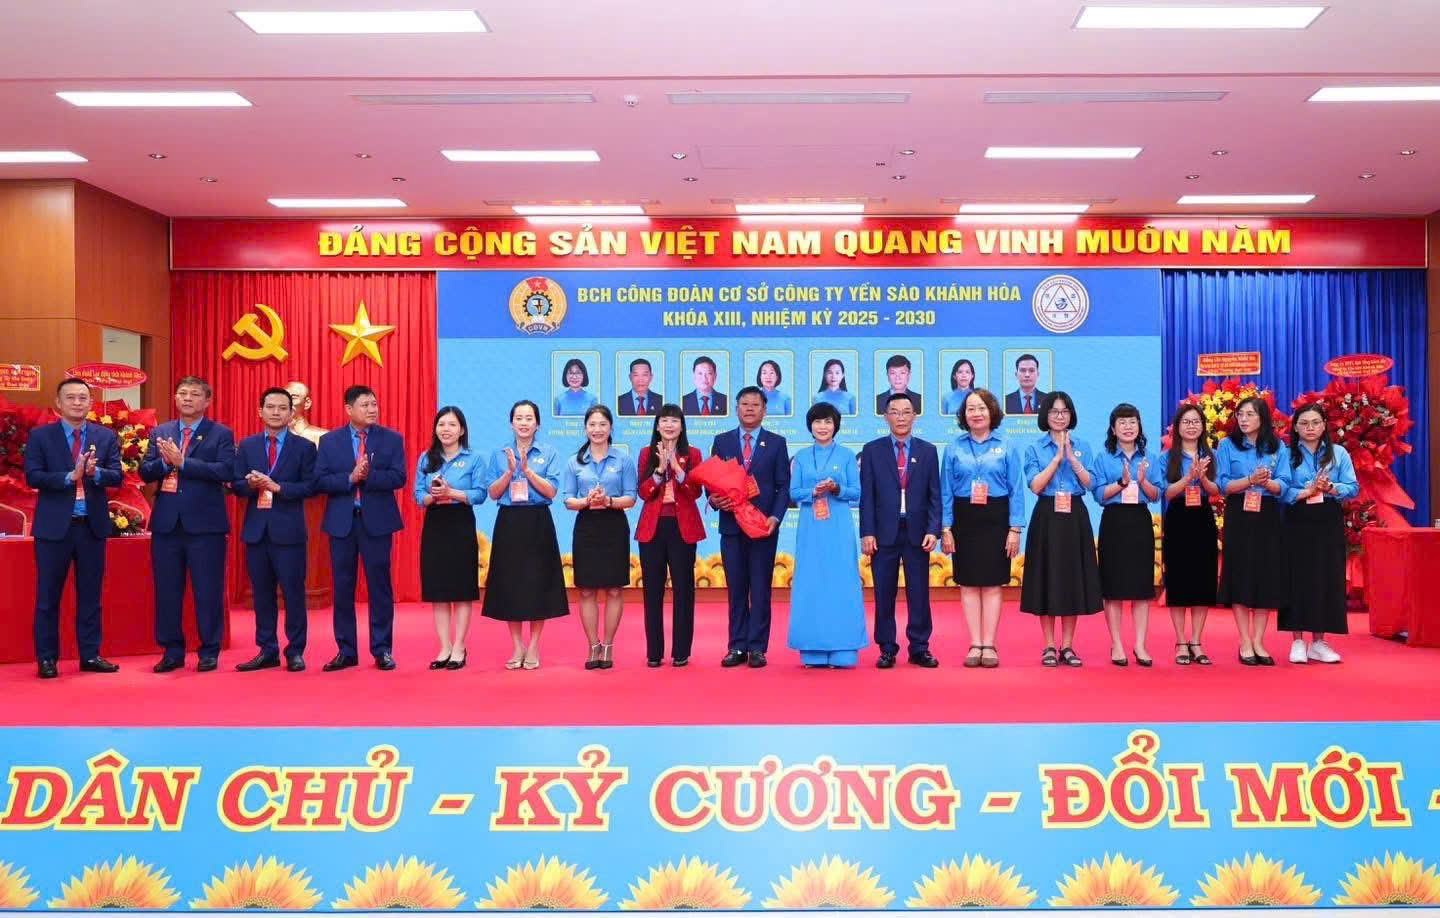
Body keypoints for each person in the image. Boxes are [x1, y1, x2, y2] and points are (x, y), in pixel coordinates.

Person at [24, 377, 123, 679]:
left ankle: (90, 655)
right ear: (58, 403)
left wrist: (95, 473)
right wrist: (70, 476)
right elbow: (33, 476)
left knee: (91, 596)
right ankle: (47, 658)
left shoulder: (105, 436)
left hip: (91, 527)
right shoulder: (41, 436)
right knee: (48, 597)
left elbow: (117, 475)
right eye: (71, 397)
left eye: (83, 397)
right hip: (54, 529)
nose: (77, 402)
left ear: (91, 402)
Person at [141, 376, 236, 673]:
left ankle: (209, 650)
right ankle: (172, 651)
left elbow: (226, 470)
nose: (187, 398)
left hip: (206, 525)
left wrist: (183, 462)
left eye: (195, 394)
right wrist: (166, 463)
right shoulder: (161, 431)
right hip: (167, 524)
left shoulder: (220, 434)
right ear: (175, 398)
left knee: (208, 590)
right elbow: (145, 471)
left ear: (207, 401)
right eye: (182, 393)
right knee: (167, 590)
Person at [313, 385, 407, 671]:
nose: (372, 409)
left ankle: (382, 649)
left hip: (376, 523)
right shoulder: (330, 441)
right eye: (365, 405)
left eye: (374, 404)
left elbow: (399, 477)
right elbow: (319, 480)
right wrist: (349, 478)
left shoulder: (391, 439)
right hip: (342, 523)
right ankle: (346, 650)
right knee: (342, 588)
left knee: (380, 587)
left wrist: (368, 477)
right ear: (349, 409)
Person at [232, 387, 316, 672]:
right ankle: (267, 649)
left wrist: (278, 487)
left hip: (289, 532)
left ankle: (295, 650)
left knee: (293, 594)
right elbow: (236, 485)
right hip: (256, 531)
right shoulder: (247, 445)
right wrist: (250, 484)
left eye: (282, 408)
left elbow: (311, 486)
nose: (276, 412)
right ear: (260, 411)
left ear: (291, 413)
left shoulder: (304, 447)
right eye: (270, 407)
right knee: (262, 594)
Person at [940, 388, 1023, 669]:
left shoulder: (1007, 445)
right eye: (971, 408)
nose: (976, 413)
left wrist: (1015, 529)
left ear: (992, 411)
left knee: (992, 584)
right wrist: (946, 528)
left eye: (981, 408)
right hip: (964, 518)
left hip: (996, 516)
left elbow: (1016, 489)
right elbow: (945, 490)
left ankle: (989, 644)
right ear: (964, 414)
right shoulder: (954, 447)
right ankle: (975, 643)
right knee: (968, 583)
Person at [482, 400, 569, 668]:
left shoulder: (549, 452)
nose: (523, 422)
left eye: (529, 418)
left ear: (537, 424)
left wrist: (527, 470)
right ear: (511, 423)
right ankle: (517, 645)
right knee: (511, 584)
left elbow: (551, 491)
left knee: (538, 583)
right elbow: (493, 492)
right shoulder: (500, 453)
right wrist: (510, 471)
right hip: (509, 521)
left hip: (538, 521)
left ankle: (533, 647)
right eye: (519, 418)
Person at [860, 392, 942, 668]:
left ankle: (919, 647)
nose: (901, 417)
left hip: (917, 532)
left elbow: (935, 494)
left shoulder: (928, 451)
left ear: (914, 416)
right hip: (883, 533)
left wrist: (934, 529)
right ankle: (886, 648)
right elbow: (867, 496)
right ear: (886, 417)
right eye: (895, 412)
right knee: (884, 593)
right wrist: (867, 532)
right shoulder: (872, 450)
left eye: (906, 412)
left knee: (919, 592)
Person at [709, 386, 789, 668]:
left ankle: (757, 647)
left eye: (756, 404)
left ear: (764, 410)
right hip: (732, 527)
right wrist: (714, 499)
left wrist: (775, 517)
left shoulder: (776, 443)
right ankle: (736, 646)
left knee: (760, 588)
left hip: (762, 527)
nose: (750, 409)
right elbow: (712, 481)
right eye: (745, 404)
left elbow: (783, 486)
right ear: (736, 408)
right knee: (737, 588)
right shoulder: (722, 441)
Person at [1020, 391, 1101, 667]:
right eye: (1054, 411)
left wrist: (1072, 458)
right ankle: (1049, 645)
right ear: (1046, 415)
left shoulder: (1083, 446)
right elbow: (1035, 485)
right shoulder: (1034, 448)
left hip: (1075, 515)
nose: (1059, 416)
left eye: (1064, 411)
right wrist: (1056, 458)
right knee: (1046, 577)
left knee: (1071, 578)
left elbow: (1091, 484)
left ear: (1071, 415)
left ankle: (1067, 646)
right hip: (1046, 514)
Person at [1278, 402, 1358, 664]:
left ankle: (1319, 642)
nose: (1310, 428)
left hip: (1327, 519)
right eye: (1304, 423)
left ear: (1324, 425)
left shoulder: (1338, 453)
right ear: (1295, 427)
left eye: (1315, 422)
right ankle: (1298, 641)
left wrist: (1331, 487)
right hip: (1297, 519)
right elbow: (1280, 489)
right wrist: (1306, 491)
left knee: (1325, 577)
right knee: (1296, 577)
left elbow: (1353, 487)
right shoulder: (1286, 454)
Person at [788, 403, 867, 668]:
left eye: (828, 422)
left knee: (841, 582)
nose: (822, 427)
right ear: (810, 426)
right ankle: (812, 649)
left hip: (839, 526)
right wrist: (812, 492)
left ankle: (844, 648)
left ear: (836, 426)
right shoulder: (801, 457)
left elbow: (856, 492)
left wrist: (836, 488)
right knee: (811, 582)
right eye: (817, 422)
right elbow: (793, 492)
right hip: (811, 527)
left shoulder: (847, 455)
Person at [563, 405, 638, 670]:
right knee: (586, 590)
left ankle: (608, 645)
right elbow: (568, 500)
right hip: (586, 527)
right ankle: (592, 645)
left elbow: (631, 497)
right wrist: (586, 501)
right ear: (585, 428)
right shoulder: (574, 462)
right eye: (592, 424)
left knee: (615, 589)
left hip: (614, 525)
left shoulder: (623, 460)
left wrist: (609, 501)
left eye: (602, 424)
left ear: (611, 428)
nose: (597, 429)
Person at [1090, 403, 1165, 667]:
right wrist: (1121, 483)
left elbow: (1156, 495)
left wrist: (1142, 481)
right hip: (1113, 521)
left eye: (1132, 422)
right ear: (1113, 429)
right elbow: (1099, 495)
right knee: (1113, 587)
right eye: (1122, 422)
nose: (1128, 427)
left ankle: (1140, 645)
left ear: (1139, 426)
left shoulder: (1150, 458)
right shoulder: (1103, 458)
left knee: (1141, 588)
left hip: (1140, 521)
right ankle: (1117, 644)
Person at [1215, 396, 1286, 666]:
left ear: (1262, 418)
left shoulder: (1277, 446)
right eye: (1240, 414)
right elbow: (1222, 484)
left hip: (1267, 514)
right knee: (1241, 574)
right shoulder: (1227, 445)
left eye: (1250, 414)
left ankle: (1259, 641)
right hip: (1239, 513)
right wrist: (1250, 480)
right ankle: (1245, 641)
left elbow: (1284, 484)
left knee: (1265, 575)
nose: (1243, 419)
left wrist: (1267, 484)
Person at [413, 405, 485, 671]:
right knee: (439, 589)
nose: (446, 429)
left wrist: (451, 493)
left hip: (461, 523)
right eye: (442, 424)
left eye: (452, 425)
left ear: (462, 430)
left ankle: (459, 646)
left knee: (461, 589)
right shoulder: (426, 458)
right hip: (435, 524)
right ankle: (444, 646)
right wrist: (432, 497)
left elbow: (480, 494)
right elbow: (418, 494)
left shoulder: (474, 459)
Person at [636, 405, 704, 667]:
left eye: (674, 421)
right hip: (653, 528)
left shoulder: (693, 454)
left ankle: (681, 651)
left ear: (682, 426)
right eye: (664, 420)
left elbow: (695, 492)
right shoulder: (646, 453)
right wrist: (658, 470)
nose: (669, 425)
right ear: (657, 425)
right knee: (652, 591)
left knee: (684, 590)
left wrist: (677, 468)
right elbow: (643, 493)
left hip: (682, 528)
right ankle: (654, 652)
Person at [1159, 403, 1221, 666]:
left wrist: (1202, 478)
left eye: (1196, 421)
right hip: (1178, 518)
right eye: (1186, 422)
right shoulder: (1167, 457)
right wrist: (1188, 477)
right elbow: (1166, 493)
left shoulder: (1212, 455)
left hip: (1202, 518)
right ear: (1177, 427)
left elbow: (1216, 490)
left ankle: (1196, 641)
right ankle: (1181, 641)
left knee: (1202, 579)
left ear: (1203, 426)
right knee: (1179, 580)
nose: (1191, 426)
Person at [284, 380, 328, 445]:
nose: (286, 402)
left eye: (293, 398)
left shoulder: (323, 436)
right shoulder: (273, 435)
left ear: (307, 403)